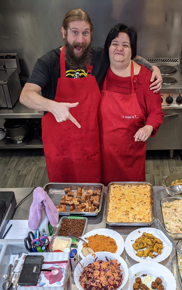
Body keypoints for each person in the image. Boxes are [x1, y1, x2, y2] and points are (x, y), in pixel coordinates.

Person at [20, 9, 162, 183]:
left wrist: (153, 68)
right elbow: (26, 95)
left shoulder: (97, 56)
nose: (80, 40)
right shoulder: (49, 62)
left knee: (92, 195)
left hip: (90, 147)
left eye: (85, 33)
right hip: (61, 149)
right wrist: (53, 106)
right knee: (65, 197)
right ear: (63, 32)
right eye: (74, 32)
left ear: (91, 33)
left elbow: (125, 53)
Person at [99, 23, 164, 185]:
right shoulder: (99, 70)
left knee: (130, 199)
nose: (119, 48)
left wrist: (148, 127)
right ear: (108, 47)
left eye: (125, 45)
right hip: (102, 154)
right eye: (114, 44)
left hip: (131, 156)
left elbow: (156, 113)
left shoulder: (145, 77)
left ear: (132, 51)